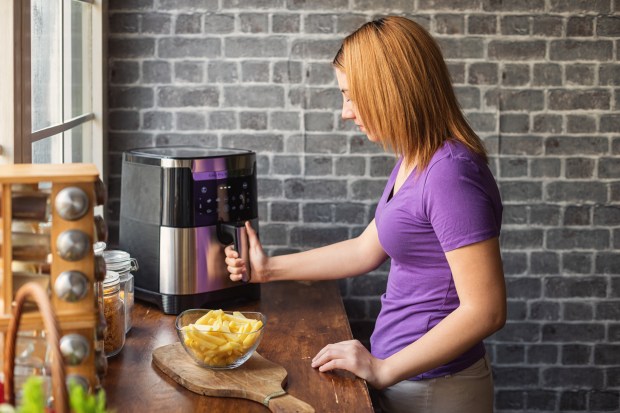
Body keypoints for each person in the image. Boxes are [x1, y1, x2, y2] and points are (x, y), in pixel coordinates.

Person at [225, 16, 505, 413]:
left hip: (434, 391)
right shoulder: (416, 160)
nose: (345, 112)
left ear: (390, 91)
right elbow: (364, 249)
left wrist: (383, 368)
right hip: (409, 381)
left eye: (351, 96)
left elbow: (486, 310)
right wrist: (266, 269)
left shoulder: (450, 174)